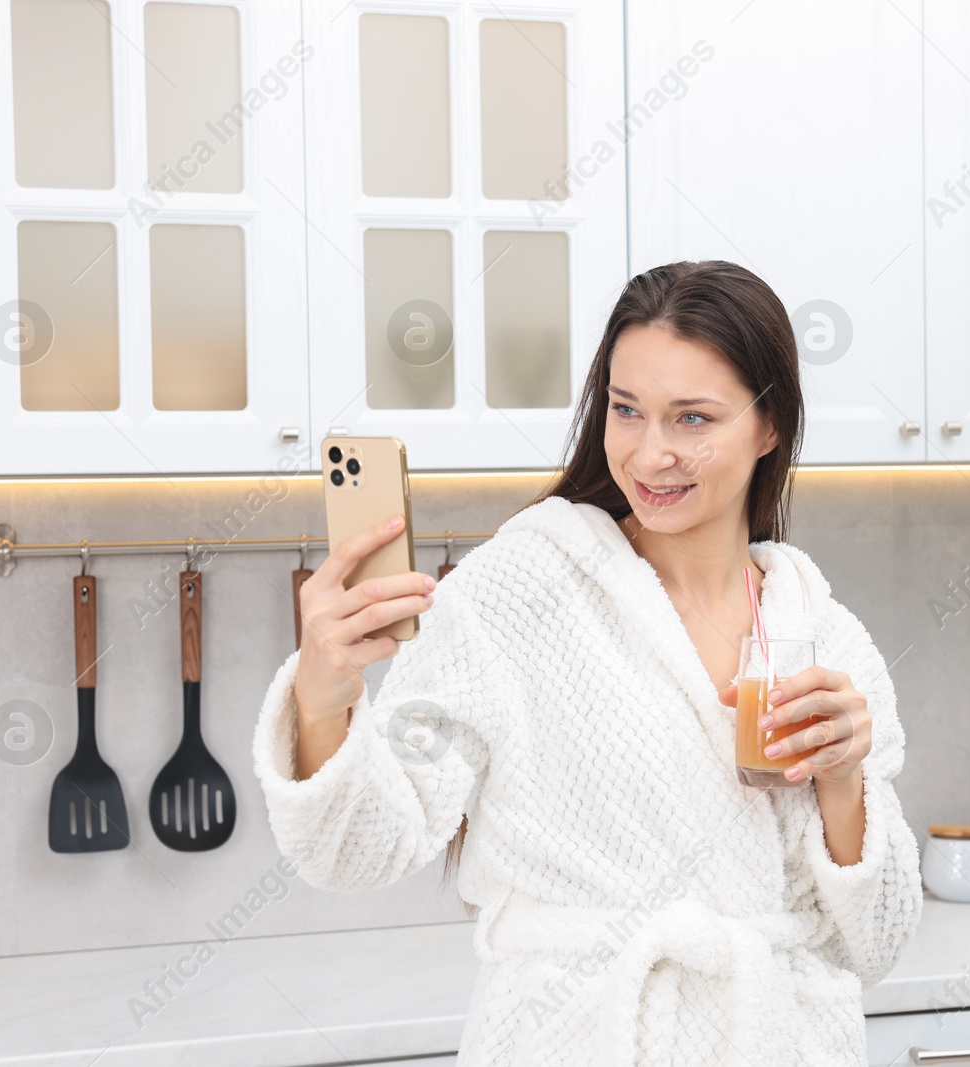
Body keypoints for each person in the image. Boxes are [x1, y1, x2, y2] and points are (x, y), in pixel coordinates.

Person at [253, 260, 922, 1066]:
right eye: (627, 409)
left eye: (693, 419)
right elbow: (354, 849)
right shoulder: (518, 593)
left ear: (769, 424)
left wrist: (843, 779)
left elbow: (877, 943)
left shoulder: (822, 633)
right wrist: (325, 700)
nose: (649, 453)